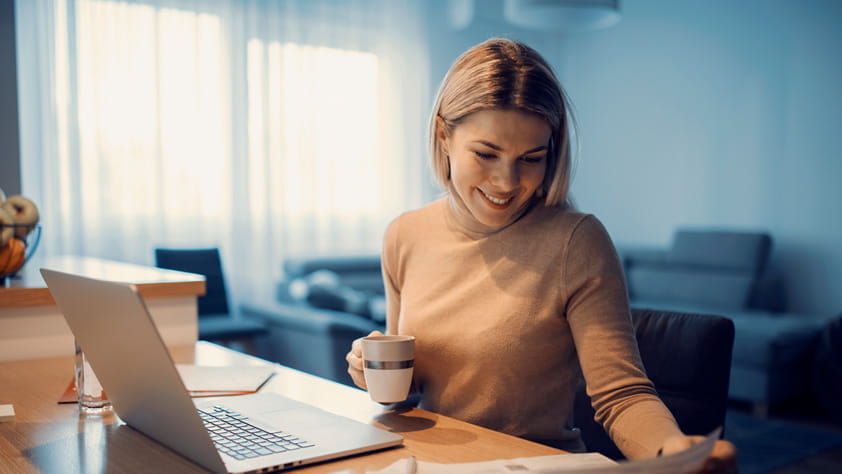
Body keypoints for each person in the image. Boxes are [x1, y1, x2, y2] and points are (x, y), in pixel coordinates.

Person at [345, 38, 737, 472]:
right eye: (486, 154)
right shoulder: (404, 235)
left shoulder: (576, 241)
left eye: (531, 158)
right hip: (432, 461)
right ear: (443, 135)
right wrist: (372, 368)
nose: (507, 182)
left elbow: (620, 395)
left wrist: (675, 452)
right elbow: (410, 382)